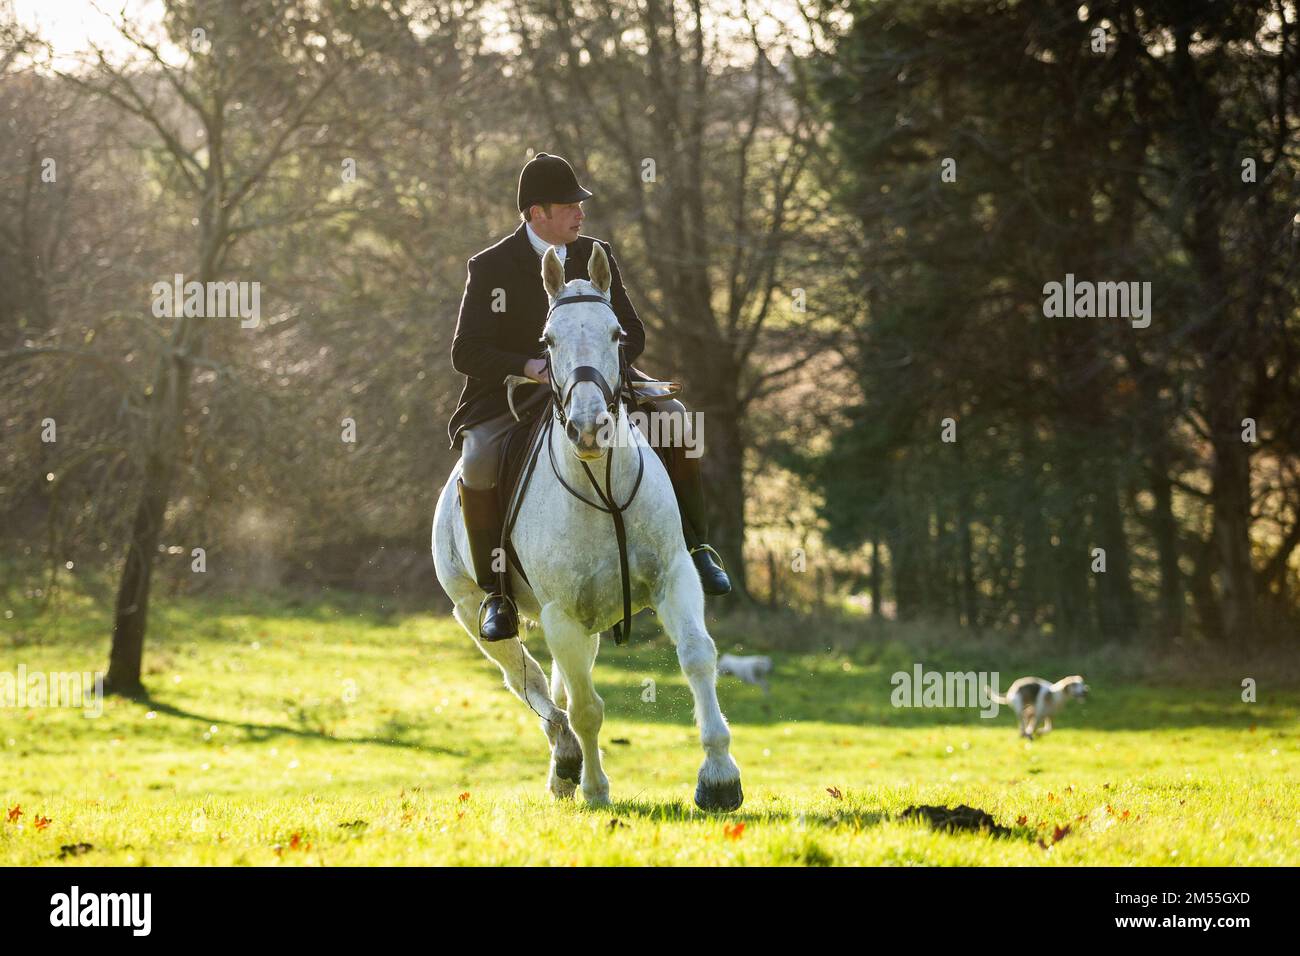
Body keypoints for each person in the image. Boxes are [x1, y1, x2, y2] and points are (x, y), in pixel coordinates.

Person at [447, 152, 731, 640]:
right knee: (477, 462)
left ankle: (696, 547)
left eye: (581, 204)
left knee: (678, 420)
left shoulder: (596, 254)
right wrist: (528, 365)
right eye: (570, 205)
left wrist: (600, 367)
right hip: (519, 392)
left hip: (596, 385)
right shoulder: (491, 266)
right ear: (538, 213)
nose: (581, 212)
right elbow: (465, 350)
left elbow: (633, 332)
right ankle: (497, 593)